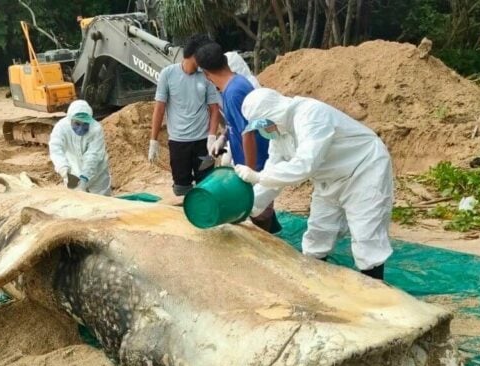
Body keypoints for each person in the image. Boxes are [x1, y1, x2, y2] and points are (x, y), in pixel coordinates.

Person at [234, 88, 394, 280]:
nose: (264, 130)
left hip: (364, 169)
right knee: (318, 231)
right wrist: (248, 206)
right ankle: (317, 283)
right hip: (329, 178)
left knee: (366, 233)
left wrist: (258, 177)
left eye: (264, 124)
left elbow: (304, 165)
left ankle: (376, 292)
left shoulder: (310, 115)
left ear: (273, 114)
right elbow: (274, 172)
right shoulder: (280, 134)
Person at [195, 43, 280, 234]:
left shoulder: (233, 93)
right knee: (257, 209)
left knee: (258, 211)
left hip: (256, 162)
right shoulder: (235, 85)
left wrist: (249, 171)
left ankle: (267, 251)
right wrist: (223, 138)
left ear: (206, 74)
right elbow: (237, 124)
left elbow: (247, 133)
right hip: (251, 159)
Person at [148, 34, 221, 196]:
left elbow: (214, 109)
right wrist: (153, 140)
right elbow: (159, 108)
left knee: (207, 186)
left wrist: (211, 136)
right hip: (178, 143)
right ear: (195, 55)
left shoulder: (205, 76)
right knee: (181, 188)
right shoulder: (167, 74)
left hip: (202, 143)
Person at [49, 99, 112, 195]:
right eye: (77, 124)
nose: (81, 128)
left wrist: (84, 178)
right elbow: (56, 149)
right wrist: (64, 169)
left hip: (97, 173)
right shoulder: (61, 128)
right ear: (70, 119)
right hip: (72, 173)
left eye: (85, 124)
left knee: (103, 202)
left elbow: (93, 155)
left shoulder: (96, 129)